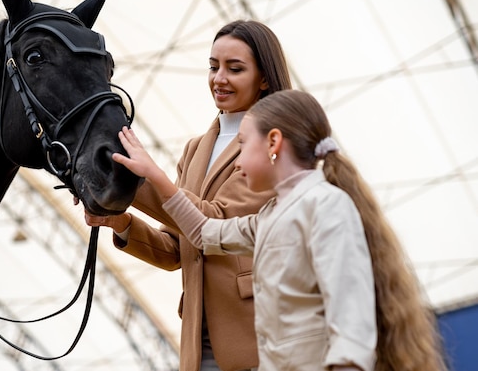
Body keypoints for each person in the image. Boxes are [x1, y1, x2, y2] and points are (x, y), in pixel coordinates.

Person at [107, 89, 449, 371]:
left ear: (273, 142)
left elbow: (351, 322)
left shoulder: (327, 207)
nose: (236, 162)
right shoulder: (271, 216)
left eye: (242, 145)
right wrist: (150, 176)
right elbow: (203, 233)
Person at [85, 20, 292, 371]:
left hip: (255, 336)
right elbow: (175, 249)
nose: (219, 78)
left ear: (265, 78)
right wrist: (119, 221)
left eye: (235, 68)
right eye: (213, 67)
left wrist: (141, 180)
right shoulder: (196, 149)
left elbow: (216, 222)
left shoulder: (275, 142)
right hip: (199, 335)